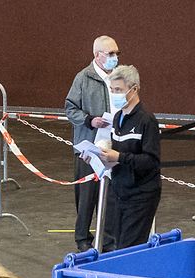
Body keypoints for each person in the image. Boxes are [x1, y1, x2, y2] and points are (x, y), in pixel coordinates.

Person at [94, 65, 161, 251]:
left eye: (119, 90)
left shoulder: (146, 120)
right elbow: (117, 151)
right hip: (119, 191)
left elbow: (151, 161)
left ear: (134, 89)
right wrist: (101, 155)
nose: (115, 94)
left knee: (129, 247)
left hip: (141, 195)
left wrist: (120, 157)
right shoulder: (117, 118)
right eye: (112, 90)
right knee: (116, 243)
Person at [64, 36, 120, 253]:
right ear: (98, 55)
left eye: (117, 53)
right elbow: (70, 108)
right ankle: (82, 238)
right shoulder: (83, 78)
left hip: (113, 144)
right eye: (111, 53)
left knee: (112, 194)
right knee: (86, 194)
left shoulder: (119, 76)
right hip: (89, 144)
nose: (115, 58)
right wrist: (90, 120)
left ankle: (107, 237)